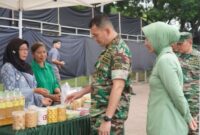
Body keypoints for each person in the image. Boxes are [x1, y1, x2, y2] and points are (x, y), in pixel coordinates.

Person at [66, 15, 132, 135]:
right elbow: (101, 81)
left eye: (96, 35)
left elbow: (118, 86)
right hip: (100, 114)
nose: (95, 39)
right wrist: (80, 93)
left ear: (107, 31)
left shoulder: (119, 51)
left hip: (110, 118)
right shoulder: (108, 50)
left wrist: (107, 119)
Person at [142, 22, 197, 135]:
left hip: (166, 126)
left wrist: (188, 116)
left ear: (159, 38)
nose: (145, 43)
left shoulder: (165, 60)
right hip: (164, 123)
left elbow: (177, 95)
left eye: (148, 39)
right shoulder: (165, 57)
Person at [1, 38, 52, 108]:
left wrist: (41, 99)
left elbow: (33, 89)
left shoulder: (27, 67)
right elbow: (10, 93)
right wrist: (34, 90)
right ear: (14, 51)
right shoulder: (8, 67)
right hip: (17, 111)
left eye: (26, 49)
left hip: (32, 110)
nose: (25, 52)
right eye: (22, 49)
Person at [172, 32, 200, 135]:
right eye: (177, 44)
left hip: (193, 101)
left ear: (190, 42)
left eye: (180, 44)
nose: (178, 46)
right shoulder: (174, 57)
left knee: (193, 129)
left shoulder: (198, 57)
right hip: (178, 100)